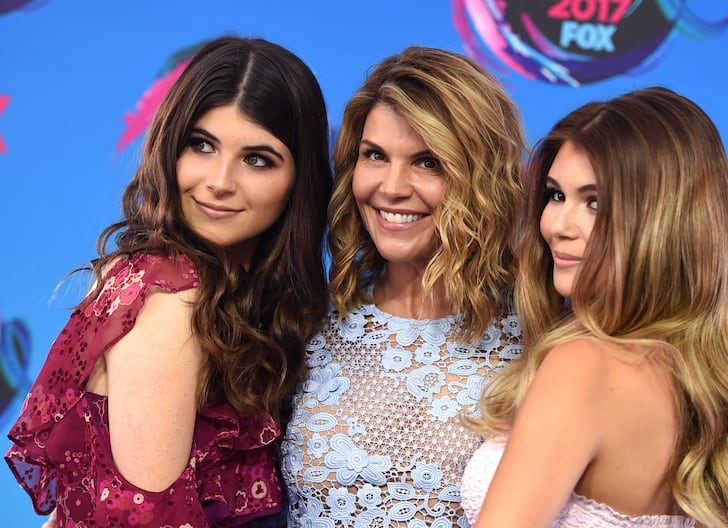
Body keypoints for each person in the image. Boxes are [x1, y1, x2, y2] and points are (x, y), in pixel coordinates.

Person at [5, 36, 333, 527]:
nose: (220, 180)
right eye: (201, 145)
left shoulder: (215, 290)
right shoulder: (172, 300)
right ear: (170, 146)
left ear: (298, 181)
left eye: (257, 159)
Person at [460, 86, 728, 528]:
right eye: (556, 195)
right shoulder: (711, 387)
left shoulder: (583, 367)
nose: (557, 226)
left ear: (660, 223)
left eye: (593, 203)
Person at [280, 46, 526, 525]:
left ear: (482, 177)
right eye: (375, 156)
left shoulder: (539, 340)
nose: (391, 187)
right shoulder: (306, 323)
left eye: (428, 162)